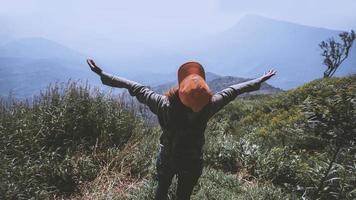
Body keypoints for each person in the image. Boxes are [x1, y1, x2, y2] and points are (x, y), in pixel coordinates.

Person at [86, 59, 276, 200]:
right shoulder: (209, 107)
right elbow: (234, 90)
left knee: (161, 190)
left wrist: (103, 74)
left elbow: (134, 86)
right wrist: (259, 79)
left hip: (167, 157)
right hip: (191, 160)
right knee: (183, 196)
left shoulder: (163, 105)